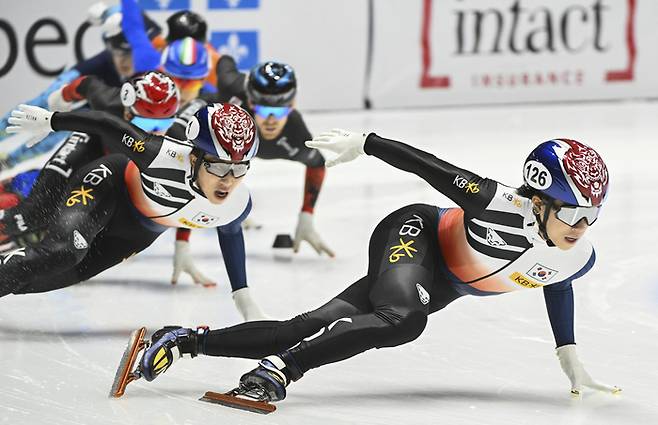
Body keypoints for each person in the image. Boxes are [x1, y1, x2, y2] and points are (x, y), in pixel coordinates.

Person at [129, 131, 619, 404]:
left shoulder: (578, 253)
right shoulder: (495, 203)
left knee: (306, 327)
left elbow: (558, 281)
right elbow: (430, 165)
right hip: (413, 234)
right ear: (537, 203)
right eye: (572, 213)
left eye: (590, 216)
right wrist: (366, 143)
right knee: (404, 319)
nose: (580, 226)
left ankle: (182, 341)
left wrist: (568, 355)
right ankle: (281, 371)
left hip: (432, 280)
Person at [1, 102, 267, 321]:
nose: (229, 180)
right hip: (107, 186)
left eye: (240, 168)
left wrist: (242, 297)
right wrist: (52, 121)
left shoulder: (238, 204)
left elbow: (230, 232)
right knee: (61, 253)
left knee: (39, 281)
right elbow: (105, 123)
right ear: (194, 157)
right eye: (219, 167)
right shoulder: (160, 155)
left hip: (136, 232)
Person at [171, 61, 333, 256]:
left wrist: (306, 216)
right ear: (251, 102)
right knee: (176, 143)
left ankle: (231, 203)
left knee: (228, 169)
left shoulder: (295, 133)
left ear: (292, 106)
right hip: (211, 119)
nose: (271, 120)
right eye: (264, 110)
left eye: (280, 111)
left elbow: (317, 164)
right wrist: (182, 241)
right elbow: (224, 61)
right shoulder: (231, 86)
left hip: (237, 139)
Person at [0, 2, 164, 171]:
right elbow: (111, 13)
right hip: (100, 73)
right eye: (118, 52)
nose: (124, 62)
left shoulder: (154, 51)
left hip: (116, 89)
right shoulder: (128, 24)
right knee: (42, 102)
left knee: (65, 125)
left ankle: (8, 162)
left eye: (129, 54)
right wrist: (104, 13)